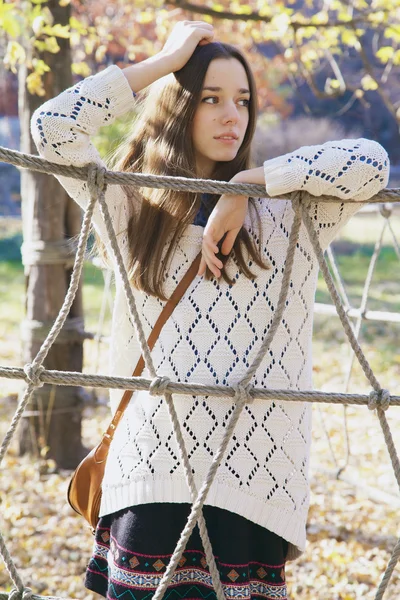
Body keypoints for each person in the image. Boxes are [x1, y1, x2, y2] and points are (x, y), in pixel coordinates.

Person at [31, 20, 389, 600]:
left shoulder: (289, 216)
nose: (232, 116)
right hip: (151, 475)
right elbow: (54, 127)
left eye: (242, 101)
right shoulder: (132, 208)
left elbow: (369, 162)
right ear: (177, 107)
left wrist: (247, 185)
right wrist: (164, 62)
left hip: (252, 486)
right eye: (209, 99)